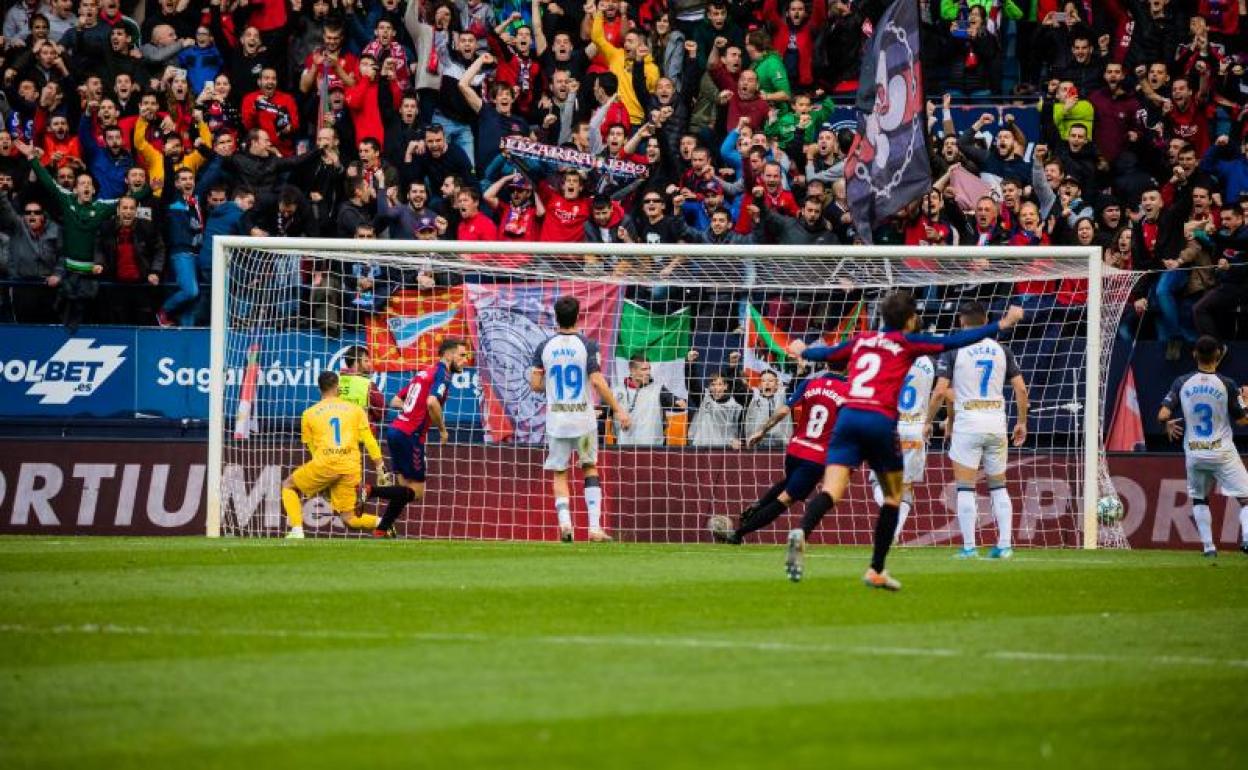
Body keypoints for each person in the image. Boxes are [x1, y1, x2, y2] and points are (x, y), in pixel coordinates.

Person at [791, 292, 1025, 589]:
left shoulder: (862, 340)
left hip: (847, 420)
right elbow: (956, 341)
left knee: (831, 490)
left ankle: (800, 532)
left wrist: (802, 350)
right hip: (879, 423)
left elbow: (826, 354)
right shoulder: (907, 343)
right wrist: (1002, 323)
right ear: (910, 319)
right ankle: (876, 569)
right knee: (893, 498)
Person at [929, 302, 1029, 559]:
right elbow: (1021, 389)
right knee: (998, 485)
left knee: (965, 487)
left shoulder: (954, 349)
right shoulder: (1001, 349)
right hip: (996, 421)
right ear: (986, 320)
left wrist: (928, 421)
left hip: (968, 422)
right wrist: (1021, 422)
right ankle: (1004, 545)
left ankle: (970, 548)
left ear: (962, 321)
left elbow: (941, 391)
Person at [530, 295, 632, 542]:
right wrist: (618, 409)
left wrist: (552, 385)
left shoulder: (544, 347)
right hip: (583, 421)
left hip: (557, 422)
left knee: (560, 472)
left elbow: (535, 384)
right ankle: (594, 528)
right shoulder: (587, 345)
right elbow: (596, 381)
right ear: (578, 316)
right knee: (589, 467)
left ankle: (566, 525)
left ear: (556, 317)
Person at [717, 369, 848, 545]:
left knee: (788, 482)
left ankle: (758, 505)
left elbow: (783, 411)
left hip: (794, 449)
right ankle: (738, 534)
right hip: (816, 456)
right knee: (784, 500)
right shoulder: (848, 391)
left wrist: (762, 431)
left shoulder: (809, 384)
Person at [367, 338, 470, 537]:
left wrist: (412, 409)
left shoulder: (424, 373)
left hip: (395, 430)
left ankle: (381, 530)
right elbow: (432, 402)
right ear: (448, 355)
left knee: (405, 489)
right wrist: (442, 430)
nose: (466, 360)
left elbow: (396, 400)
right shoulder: (443, 373)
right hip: (410, 435)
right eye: (462, 355)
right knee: (417, 492)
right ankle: (370, 491)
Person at [1157, 335, 1248, 557]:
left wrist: (1167, 424)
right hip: (1222, 452)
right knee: (1246, 499)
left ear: (1194, 354)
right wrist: (1245, 402)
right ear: (1218, 355)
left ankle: (1209, 548)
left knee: (1199, 498)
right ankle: (1246, 540)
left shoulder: (1181, 382)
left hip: (1195, 452)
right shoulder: (1227, 384)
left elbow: (1163, 414)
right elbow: (1242, 420)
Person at [281, 371, 388, 539]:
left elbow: (313, 448)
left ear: (319, 389)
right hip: (350, 466)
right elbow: (369, 440)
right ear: (337, 387)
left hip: (326, 464)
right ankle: (384, 523)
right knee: (350, 518)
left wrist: (324, 478)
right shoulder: (356, 410)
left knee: (288, 485)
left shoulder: (308, 414)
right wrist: (380, 466)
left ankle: (297, 530)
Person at [867, 354, 936, 544]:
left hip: (890, 426)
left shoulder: (888, 357)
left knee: (878, 479)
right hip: (916, 429)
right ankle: (893, 532)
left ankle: (888, 511)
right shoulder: (928, 362)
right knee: (906, 487)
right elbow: (941, 390)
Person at [612, 354, 686, 446]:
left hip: (652, 450)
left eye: (649, 369)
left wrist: (679, 403)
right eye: (644, 369)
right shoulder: (616, 392)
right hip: (623, 448)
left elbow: (677, 404)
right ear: (632, 371)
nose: (648, 372)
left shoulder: (659, 390)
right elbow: (602, 412)